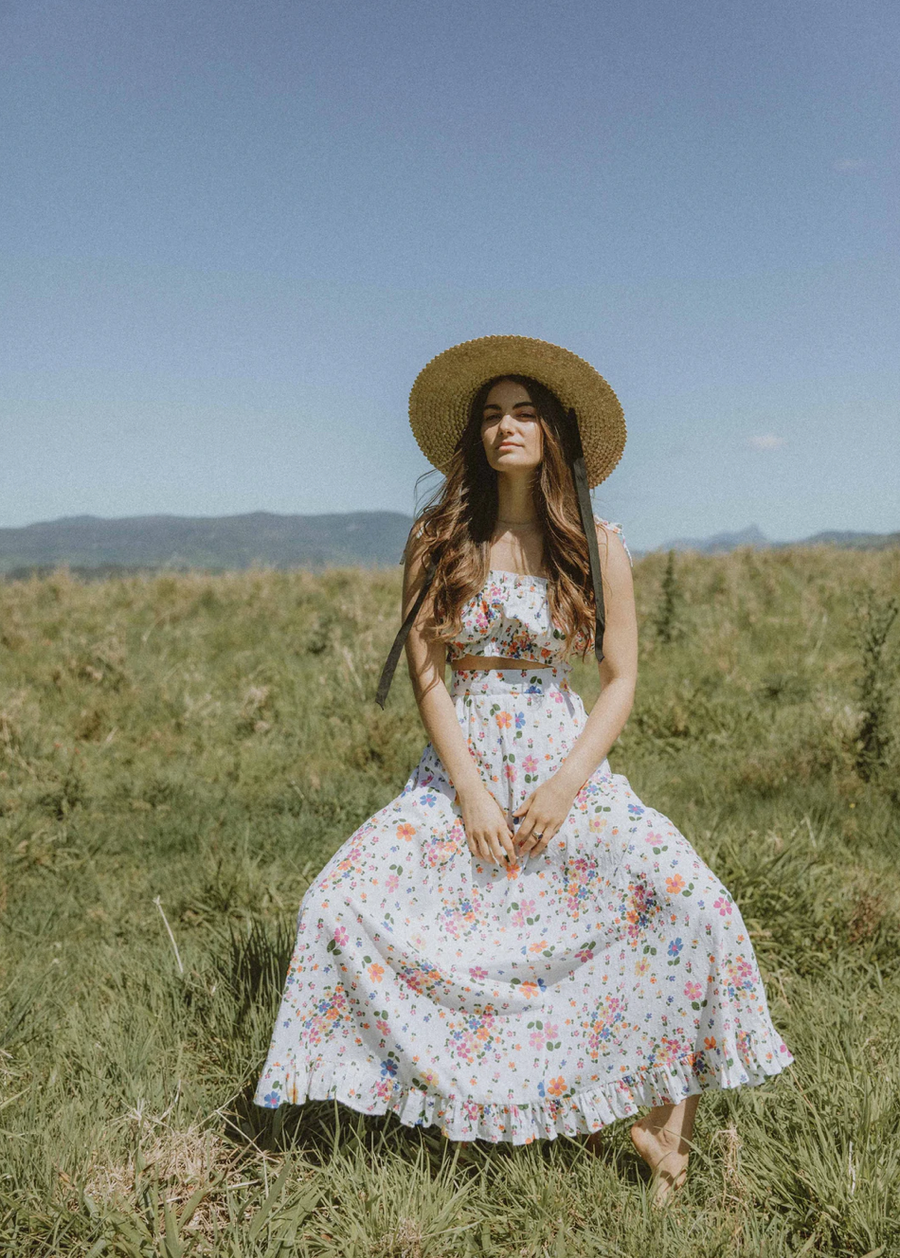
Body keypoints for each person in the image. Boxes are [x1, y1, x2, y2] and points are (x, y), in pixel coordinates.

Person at [254, 335, 794, 1206]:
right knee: (338, 904)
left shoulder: (595, 542)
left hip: (562, 759)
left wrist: (566, 784)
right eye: (492, 414)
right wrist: (467, 786)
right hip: (458, 766)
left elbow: (621, 679)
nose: (507, 426)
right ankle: (412, 1099)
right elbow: (428, 670)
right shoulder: (437, 537)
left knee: (688, 898)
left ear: (553, 434)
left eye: (525, 412)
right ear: (475, 436)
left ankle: (665, 1134)